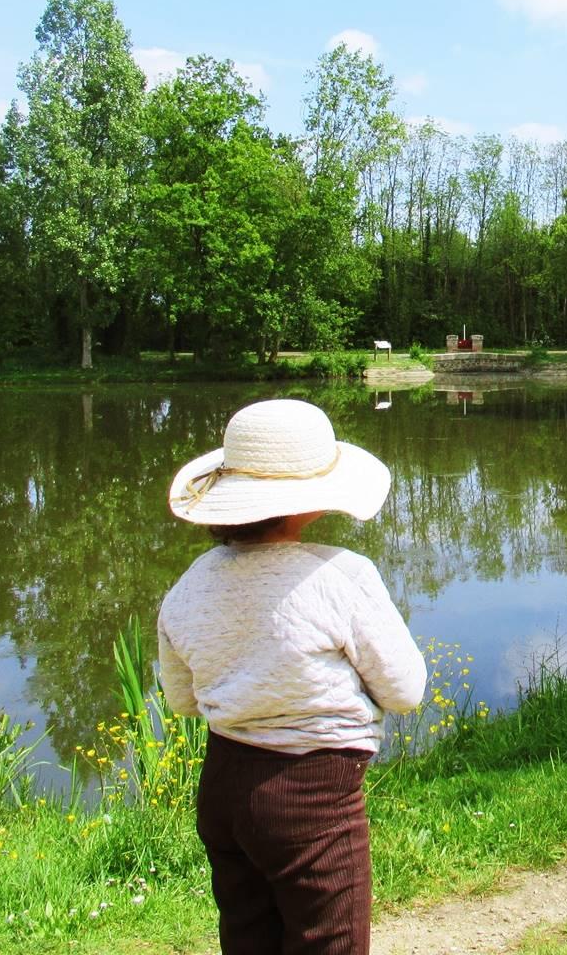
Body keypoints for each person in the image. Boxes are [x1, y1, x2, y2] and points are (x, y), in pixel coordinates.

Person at [158, 397, 426, 955]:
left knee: (248, 938)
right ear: (311, 501)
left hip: (223, 783)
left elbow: (182, 700)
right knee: (328, 943)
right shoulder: (341, 575)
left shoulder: (189, 584)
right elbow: (405, 691)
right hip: (313, 793)